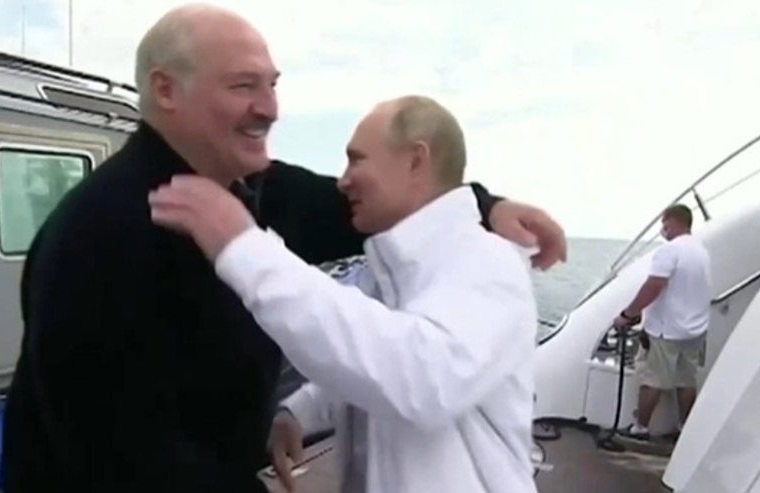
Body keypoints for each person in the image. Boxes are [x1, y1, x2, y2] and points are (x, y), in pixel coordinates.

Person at [0, 4, 567, 493]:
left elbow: (382, 211)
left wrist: (486, 205)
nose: (270, 108)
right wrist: (296, 410)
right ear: (166, 89)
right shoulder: (94, 235)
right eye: (244, 86)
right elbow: (118, 458)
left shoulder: (253, 192)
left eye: (272, 85)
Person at [148, 95, 539, 493]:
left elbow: (423, 380)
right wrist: (298, 412)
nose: (343, 181)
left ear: (415, 161)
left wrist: (243, 249)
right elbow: (371, 366)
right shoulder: (392, 271)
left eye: (357, 160)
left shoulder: (486, 262)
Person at [613, 204, 711, 441]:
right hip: (695, 330)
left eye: (664, 223)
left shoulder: (670, 251)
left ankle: (640, 428)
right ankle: (684, 429)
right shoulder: (701, 251)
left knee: (652, 380)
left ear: (672, 221)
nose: (662, 229)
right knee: (686, 381)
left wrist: (628, 314)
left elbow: (653, 285)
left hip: (667, 331)